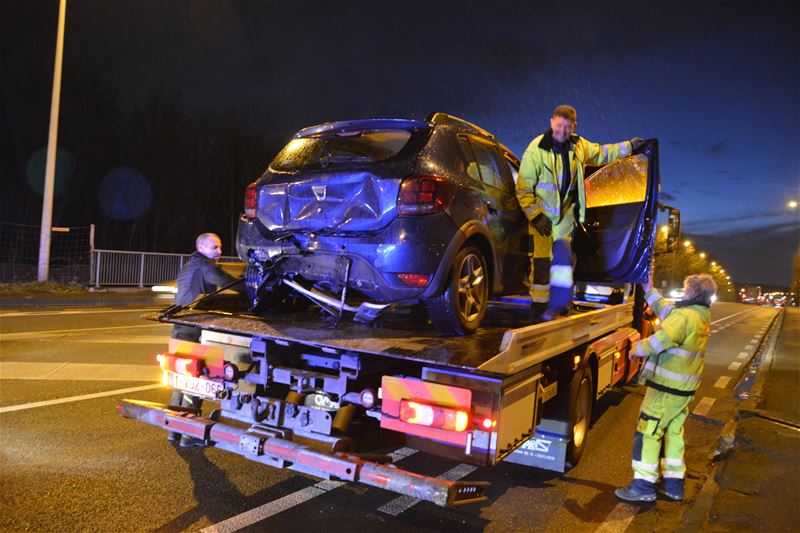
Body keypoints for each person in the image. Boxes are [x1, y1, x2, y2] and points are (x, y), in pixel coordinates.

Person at [515, 104, 644, 321]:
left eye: (567, 127)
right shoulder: (536, 150)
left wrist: (629, 147)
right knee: (541, 266)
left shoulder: (579, 146)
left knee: (563, 261)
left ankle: (558, 305)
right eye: (558, 126)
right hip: (543, 219)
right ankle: (538, 308)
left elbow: (604, 153)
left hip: (565, 217)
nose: (562, 131)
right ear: (551, 122)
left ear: (574, 126)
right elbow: (523, 188)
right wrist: (535, 215)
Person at [615, 273, 717, 502]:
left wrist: (636, 349)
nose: (684, 291)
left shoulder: (684, 316)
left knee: (647, 431)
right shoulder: (699, 314)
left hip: (667, 388)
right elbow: (665, 310)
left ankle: (643, 486)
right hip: (683, 389)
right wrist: (648, 288)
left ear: (694, 292)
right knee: (673, 433)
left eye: (686, 288)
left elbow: (663, 339)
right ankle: (673, 485)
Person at [168, 232, 243, 447]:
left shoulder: (190, 265)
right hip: (194, 331)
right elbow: (229, 284)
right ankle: (189, 436)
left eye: (220, 247)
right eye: (214, 247)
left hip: (180, 329)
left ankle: (173, 431)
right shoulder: (205, 267)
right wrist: (254, 289)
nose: (219, 252)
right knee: (197, 382)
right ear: (201, 247)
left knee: (180, 381)